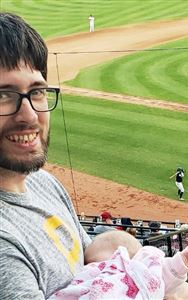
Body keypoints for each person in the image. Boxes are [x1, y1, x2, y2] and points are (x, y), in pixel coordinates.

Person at [0, 12, 91, 299]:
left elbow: (91, 260)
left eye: (37, 92)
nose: (29, 116)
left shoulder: (43, 182)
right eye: (3, 95)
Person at [50, 230, 188, 300]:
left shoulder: (139, 271)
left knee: (183, 290)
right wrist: (185, 258)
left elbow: (164, 273)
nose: (104, 266)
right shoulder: (89, 274)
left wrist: (184, 258)